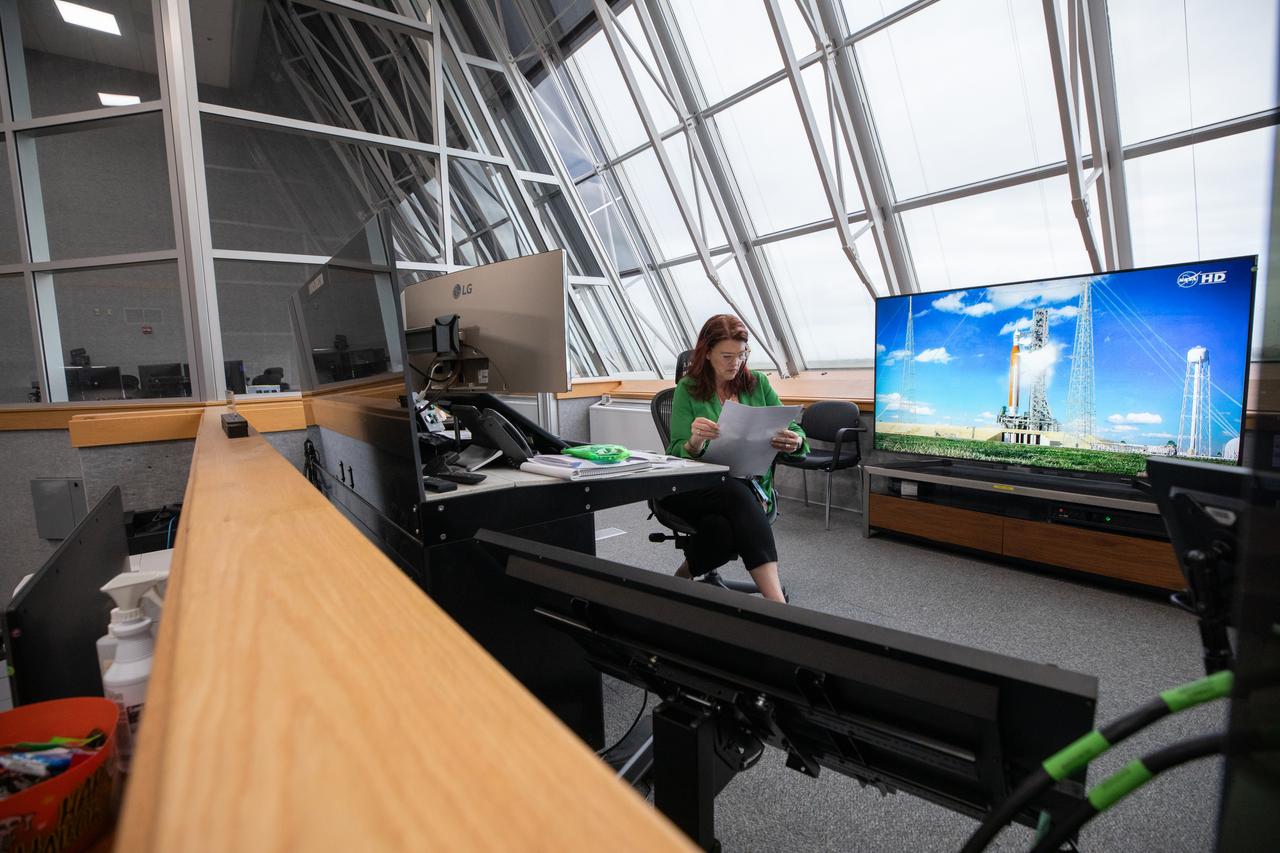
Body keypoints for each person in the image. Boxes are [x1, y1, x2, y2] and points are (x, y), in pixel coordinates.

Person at [663, 314, 808, 603]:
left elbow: (793, 428)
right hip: (693, 486)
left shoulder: (757, 384)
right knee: (733, 491)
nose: (735, 363)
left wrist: (796, 440)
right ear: (706, 353)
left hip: (746, 485)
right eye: (726, 356)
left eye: (742, 355)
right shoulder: (687, 390)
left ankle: (682, 577)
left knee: (721, 529)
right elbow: (675, 452)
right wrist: (694, 441)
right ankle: (777, 606)